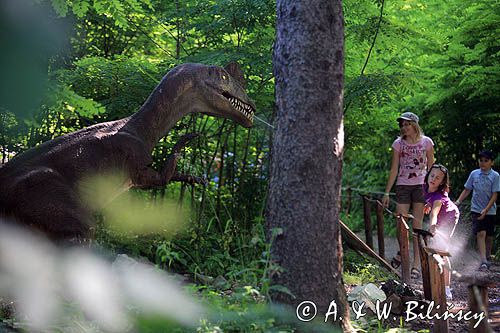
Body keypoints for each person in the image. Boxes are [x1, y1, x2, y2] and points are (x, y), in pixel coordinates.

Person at [382, 111, 435, 279]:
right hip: (403, 186)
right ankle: (402, 252)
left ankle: (416, 265)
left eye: (407, 124)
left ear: (415, 125)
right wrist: (387, 192)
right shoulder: (398, 144)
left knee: (417, 227)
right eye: (402, 125)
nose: (404, 128)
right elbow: (394, 169)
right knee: (401, 224)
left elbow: (432, 169)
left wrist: (433, 193)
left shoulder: (426, 142)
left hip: (421, 186)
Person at [455, 150, 500, 270]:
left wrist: (486, 209)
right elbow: (467, 189)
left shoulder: (495, 176)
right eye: (481, 160)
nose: (483, 163)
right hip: (476, 209)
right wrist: (458, 202)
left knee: (489, 236)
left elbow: (495, 195)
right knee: (481, 233)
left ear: (492, 162)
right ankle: (483, 260)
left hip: (490, 210)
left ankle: (487, 257)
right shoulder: (474, 174)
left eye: (486, 161)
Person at [423, 164, 459, 300]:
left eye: (438, 178)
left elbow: (434, 213)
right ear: (428, 175)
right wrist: (428, 203)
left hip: (450, 217)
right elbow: (430, 200)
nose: (433, 179)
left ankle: (446, 289)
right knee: (434, 249)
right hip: (440, 217)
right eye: (432, 175)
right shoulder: (425, 186)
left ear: (442, 182)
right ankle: (436, 283)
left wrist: (432, 226)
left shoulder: (438, 197)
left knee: (442, 251)